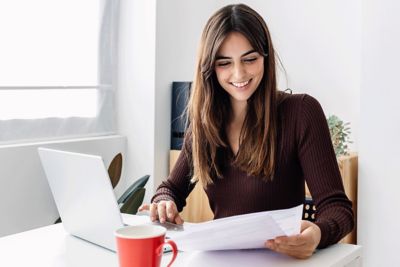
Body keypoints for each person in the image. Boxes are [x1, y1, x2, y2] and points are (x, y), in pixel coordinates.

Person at [139, 3, 354, 259]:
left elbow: (337, 209)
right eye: (224, 63)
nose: (239, 73)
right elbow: (171, 188)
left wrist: (318, 232)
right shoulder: (204, 127)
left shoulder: (301, 112)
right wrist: (164, 202)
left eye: (250, 59)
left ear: (265, 56)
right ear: (209, 68)